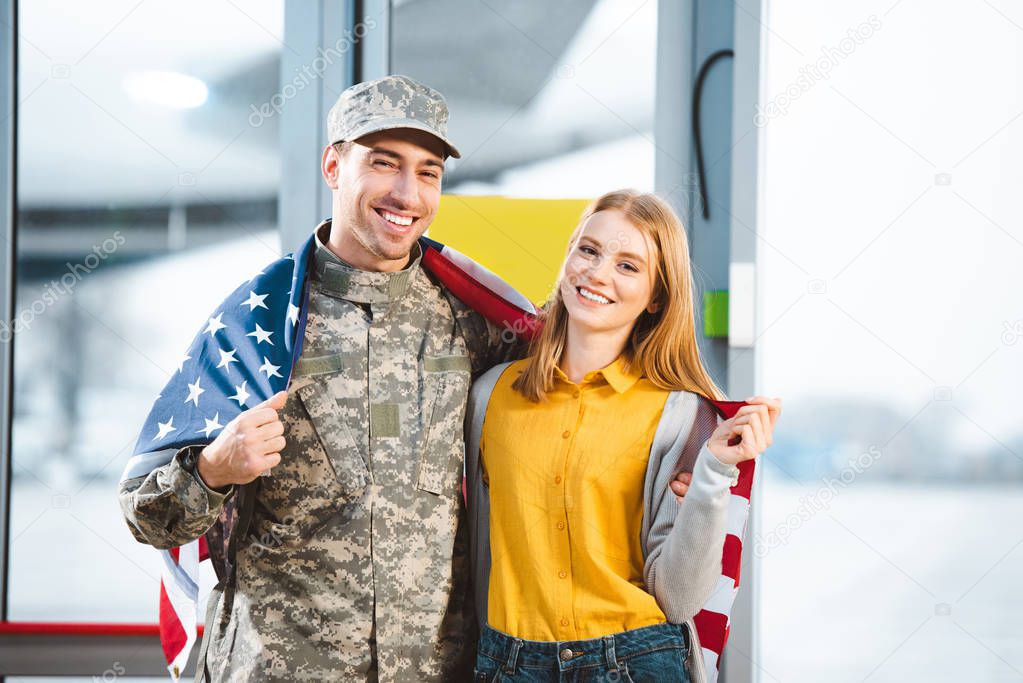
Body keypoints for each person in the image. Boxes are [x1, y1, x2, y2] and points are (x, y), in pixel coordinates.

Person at [118, 75, 700, 681]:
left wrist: (679, 463)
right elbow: (144, 517)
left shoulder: (477, 324)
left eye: (427, 171)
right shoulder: (258, 325)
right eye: (384, 163)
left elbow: (578, 403)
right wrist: (214, 470)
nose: (406, 191)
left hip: (436, 670)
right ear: (334, 166)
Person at [464, 190, 782, 682]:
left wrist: (714, 474)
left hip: (635, 662)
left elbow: (679, 597)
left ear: (657, 296)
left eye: (628, 266)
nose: (597, 273)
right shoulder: (491, 395)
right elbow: (478, 551)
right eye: (588, 250)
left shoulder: (683, 416)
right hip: (509, 663)